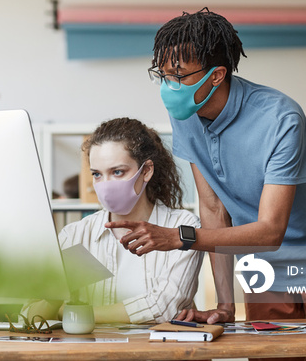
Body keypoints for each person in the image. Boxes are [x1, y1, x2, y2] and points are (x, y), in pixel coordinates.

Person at [106, 9, 306, 359]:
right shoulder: (186, 112)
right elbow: (214, 208)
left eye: (179, 75)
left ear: (216, 75)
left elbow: (270, 230)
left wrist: (178, 238)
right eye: (163, 74)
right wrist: (225, 305)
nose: (168, 86)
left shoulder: (280, 119)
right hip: (265, 270)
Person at [57, 117, 203, 324]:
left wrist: (69, 313)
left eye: (118, 172)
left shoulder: (182, 227)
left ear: (146, 171)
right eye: (97, 174)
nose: (106, 184)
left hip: (159, 354)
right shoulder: (76, 235)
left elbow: (163, 308)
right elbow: (42, 304)